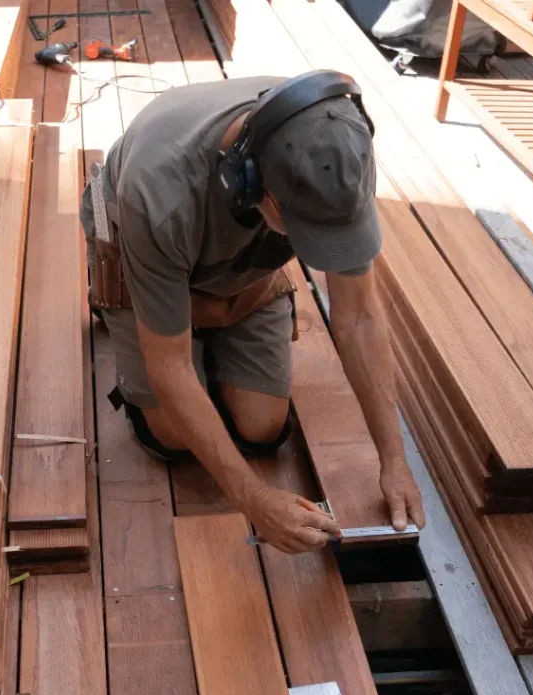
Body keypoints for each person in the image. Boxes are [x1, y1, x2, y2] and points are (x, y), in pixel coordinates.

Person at [81, 70, 425, 554]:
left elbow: (360, 316)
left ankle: (216, 312)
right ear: (248, 184)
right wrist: (256, 500)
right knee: (174, 439)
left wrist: (394, 459)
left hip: (237, 261)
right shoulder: (159, 193)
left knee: (262, 428)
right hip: (144, 243)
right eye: (304, 234)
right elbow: (170, 367)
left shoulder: (336, 154)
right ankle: (137, 305)